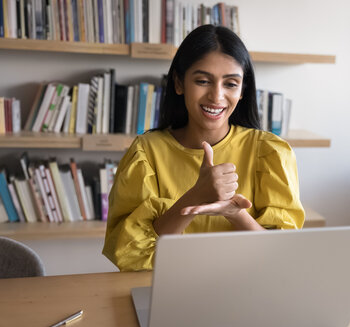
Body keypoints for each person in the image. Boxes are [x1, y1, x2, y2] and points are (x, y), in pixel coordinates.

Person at [103, 25, 305, 271]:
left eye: (230, 84)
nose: (216, 96)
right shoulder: (145, 152)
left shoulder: (270, 151)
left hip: (248, 288)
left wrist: (233, 212)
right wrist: (196, 196)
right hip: (169, 289)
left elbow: (280, 255)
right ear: (179, 83)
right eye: (202, 81)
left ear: (242, 91)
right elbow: (131, 256)